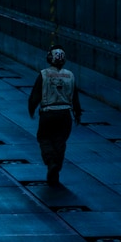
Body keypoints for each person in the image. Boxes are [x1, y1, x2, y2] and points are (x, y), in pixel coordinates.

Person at [28, 45, 82, 186]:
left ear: (49, 59)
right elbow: (75, 97)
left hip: (48, 113)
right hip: (65, 114)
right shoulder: (70, 75)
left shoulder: (44, 74)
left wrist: (31, 109)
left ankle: (51, 162)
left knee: (44, 138)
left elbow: (35, 95)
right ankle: (57, 166)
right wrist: (77, 113)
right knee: (60, 141)